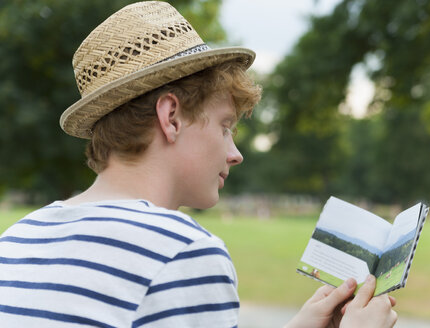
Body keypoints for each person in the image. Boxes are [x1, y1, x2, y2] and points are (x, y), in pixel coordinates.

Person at [0, 1, 397, 327]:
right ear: (171, 117)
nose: (235, 153)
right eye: (225, 126)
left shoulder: (18, 239)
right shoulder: (181, 250)